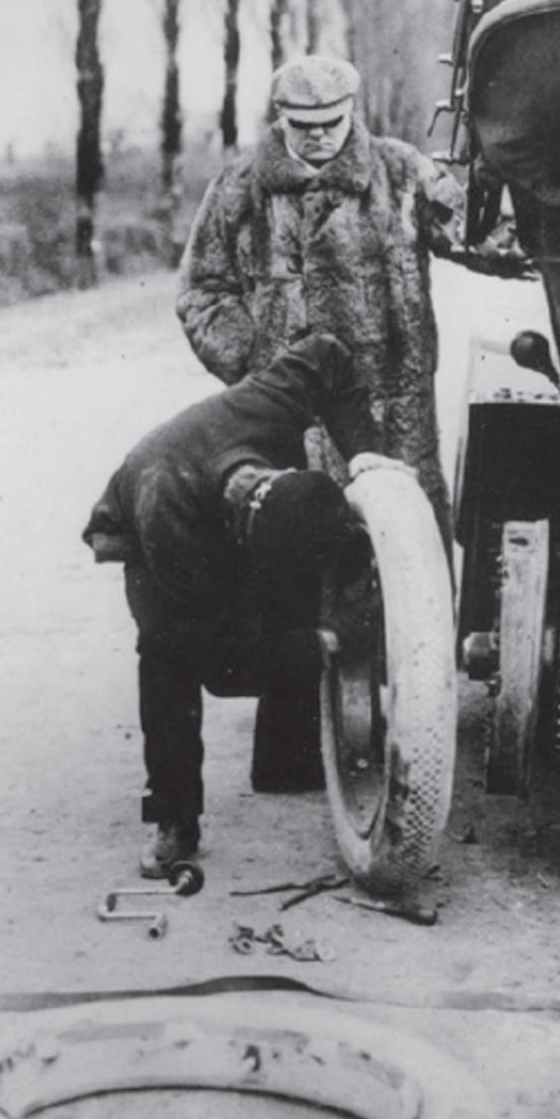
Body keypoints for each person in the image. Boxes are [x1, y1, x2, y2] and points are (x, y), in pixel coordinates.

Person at [176, 54, 462, 792]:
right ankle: (295, 758)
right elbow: (201, 292)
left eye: (330, 124)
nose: (315, 138)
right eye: (300, 127)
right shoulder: (240, 189)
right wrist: (259, 375)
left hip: (391, 415)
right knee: (295, 573)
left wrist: (474, 194)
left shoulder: (399, 174)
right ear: (280, 120)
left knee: (403, 573)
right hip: (293, 426)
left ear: (353, 113)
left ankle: (413, 744)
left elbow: (478, 241)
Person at [82, 334, 410, 877]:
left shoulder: (268, 405)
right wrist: (323, 644)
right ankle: (174, 817)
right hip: (148, 526)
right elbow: (222, 665)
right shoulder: (170, 521)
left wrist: (363, 452)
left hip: (216, 497)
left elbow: (327, 355)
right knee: (169, 657)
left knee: (301, 592)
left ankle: (288, 764)